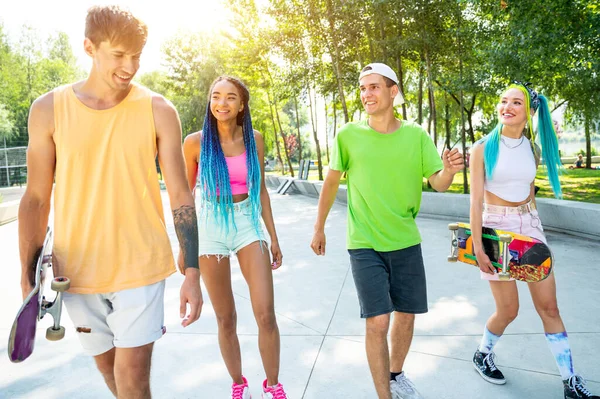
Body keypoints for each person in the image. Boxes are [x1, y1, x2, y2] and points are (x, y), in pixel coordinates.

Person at [18, 5, 202, 398]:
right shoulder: (48, 110)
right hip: (77, 271)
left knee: (133, 378)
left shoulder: (159, 110)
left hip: (141, 265)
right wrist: (27, 277)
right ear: (89, 47)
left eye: (136, 56)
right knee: (111, 375)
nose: (130, 66)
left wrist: (192, 270)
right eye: (119, 55)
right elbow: (36, 198)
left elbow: (181, 195)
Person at [310, 63, 464, 399]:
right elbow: (332, 182)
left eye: (374, 87)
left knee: (406, 317)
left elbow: (437, 183)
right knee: (378, 322)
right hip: (364, 243)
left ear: (393, 92)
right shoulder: (348, 135)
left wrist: (449, 170)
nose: (367, 94)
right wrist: (319, 227)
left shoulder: (416, 135)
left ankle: (396, 375)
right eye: (363, 88)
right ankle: (385, 396)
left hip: (406, 241)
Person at [469, 82, 598, 399]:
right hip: (495, 232)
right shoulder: (482, 148)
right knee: (509, 310)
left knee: (549, 307)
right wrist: (478, 246)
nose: (507, 107)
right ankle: (482, 354)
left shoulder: (534, 148)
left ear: (528, 111)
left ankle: (570, 381)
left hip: (529, 228)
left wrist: (536, 231)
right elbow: (474, 202)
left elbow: (528, 192)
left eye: (516, 102)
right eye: (503, 101)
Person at [182, 76, 287, 399]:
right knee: (226, 317)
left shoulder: (254, 139)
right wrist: (186, 248)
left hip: (247, 223)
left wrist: (274, 237)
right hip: (210, 227)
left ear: (242, 104)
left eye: (230, 98)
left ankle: (272, 386)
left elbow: (262, 190)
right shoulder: (195, 143)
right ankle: (238, 384)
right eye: (216, 96)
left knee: (266, 313)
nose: (222, 104)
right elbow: (184, 198)